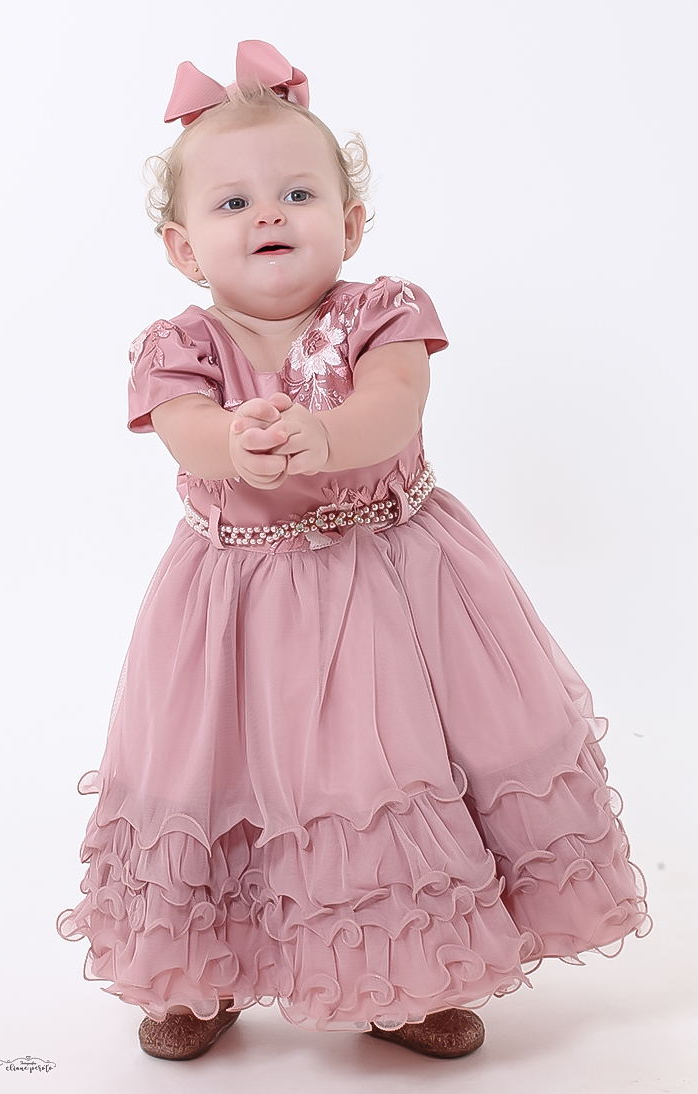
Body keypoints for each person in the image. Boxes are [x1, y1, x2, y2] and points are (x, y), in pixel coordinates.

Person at [58, 40, 649, 1062]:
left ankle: (405, 968)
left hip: (390, 583)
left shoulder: (382, 315)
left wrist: (327, 436)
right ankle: (200, 964)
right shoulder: (181, 344)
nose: (270, 214)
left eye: (297, 192)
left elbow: (394, 405)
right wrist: (232, 442)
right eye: (233, 203)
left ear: (352, 222)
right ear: (184, 248)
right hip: (234, 604)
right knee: (212, 771)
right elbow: (185, 429)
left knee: (382, 770)